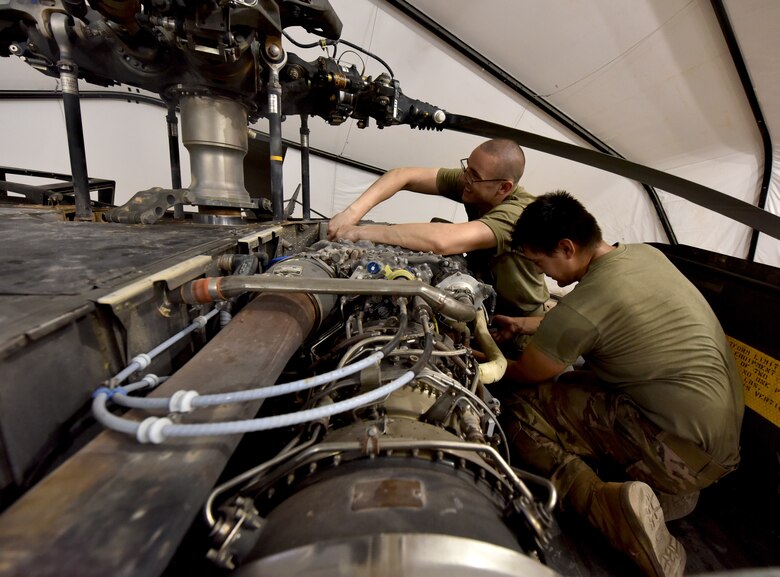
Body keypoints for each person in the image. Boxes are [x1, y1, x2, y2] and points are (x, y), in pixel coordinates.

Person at [492, 191, 744, 577]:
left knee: (521, 409)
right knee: (575, 380)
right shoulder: (644, 255)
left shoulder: (584, 305)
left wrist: (484, 361)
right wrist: (529, 325)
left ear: (566, 247)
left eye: (540, 263)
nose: (543, 275)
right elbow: (596, 319)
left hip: (680, 457)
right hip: (718, 447)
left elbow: (525, 372)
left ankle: (612, 508)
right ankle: (661, 487)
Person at [327, 139, 549, 320]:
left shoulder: (519, 214)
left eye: (474, 176)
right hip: (481, 296)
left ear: (504, 187)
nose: (464, 178)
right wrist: (351, 214)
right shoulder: (474, 183)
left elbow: (443, 241)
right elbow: (403, 175)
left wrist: (360, 232)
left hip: (518, 319)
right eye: (467, 168)